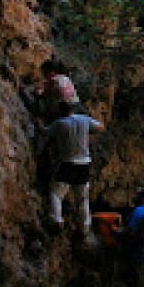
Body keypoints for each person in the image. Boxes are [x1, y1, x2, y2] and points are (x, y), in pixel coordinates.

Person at [45, 100, 104, 240]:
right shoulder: (84, 119)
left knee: (56, 193)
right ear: (73, 109)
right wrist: (89, 137)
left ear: (60, 110)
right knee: (82, 197)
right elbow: (101, 127)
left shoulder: (59, 123)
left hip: (67, 162)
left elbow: (46, 133)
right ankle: (84, 228)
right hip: (84, 163)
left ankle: (57, 220)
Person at [39, 60, 80, 124]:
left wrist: (39, 94)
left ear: (51, 72)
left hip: (63, 110)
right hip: (76, 106)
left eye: (44, 73)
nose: (44, 75)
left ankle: (48, 118)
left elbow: (43, 94)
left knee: (45, 97)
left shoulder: (53, 81)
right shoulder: (65, 77)